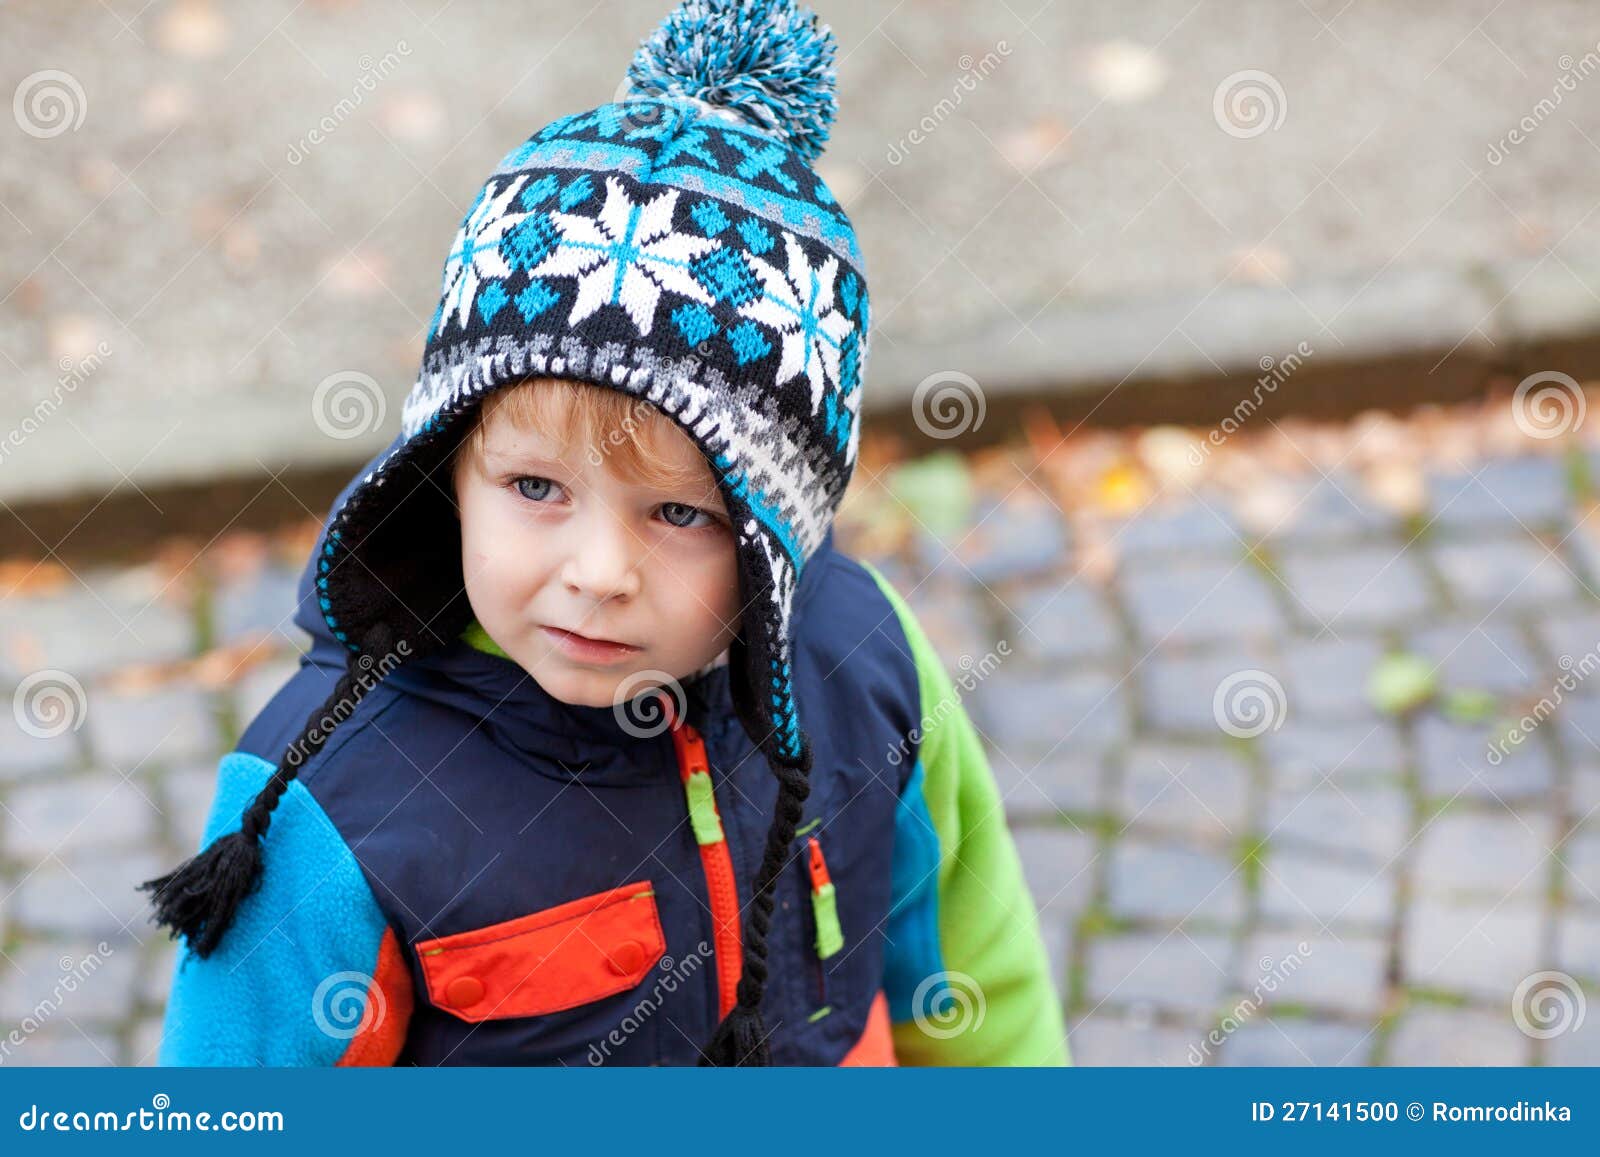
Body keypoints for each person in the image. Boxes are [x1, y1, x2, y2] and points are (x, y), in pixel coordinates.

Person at [143, 0, 1068, 1067]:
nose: (597, 573)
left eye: (679, 512)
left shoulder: (863, 661)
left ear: (776, 526)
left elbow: (968, 974)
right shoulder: (326, 806)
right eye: (536, 486)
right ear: (448, 467)